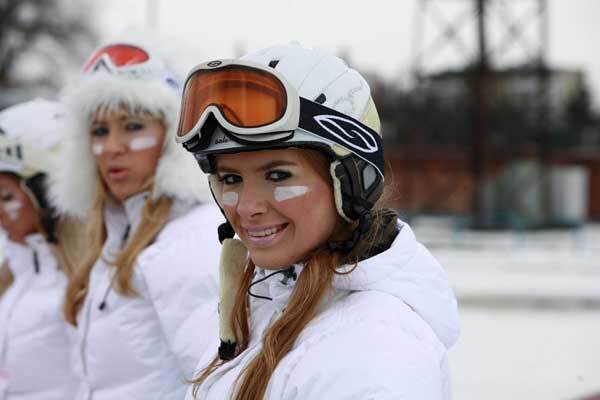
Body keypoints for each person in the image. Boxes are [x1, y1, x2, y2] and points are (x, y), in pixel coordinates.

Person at [176, 43, 461, 400]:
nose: (247, 207)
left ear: (350, 181)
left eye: (278, 175)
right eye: (231, 179)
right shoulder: (266, 305)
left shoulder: (373, 353)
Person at [48, 41, 223, 400]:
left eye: (132, 126)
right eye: (99, 131)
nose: (113, 146)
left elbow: (217, 382)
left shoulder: (190, 238)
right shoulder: (113, 237)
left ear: (171, 138)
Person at [0, 99, 79, 400]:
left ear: (47, 193)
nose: (0, 213)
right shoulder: (13, 278)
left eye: (7, 197)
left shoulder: (87, 282)